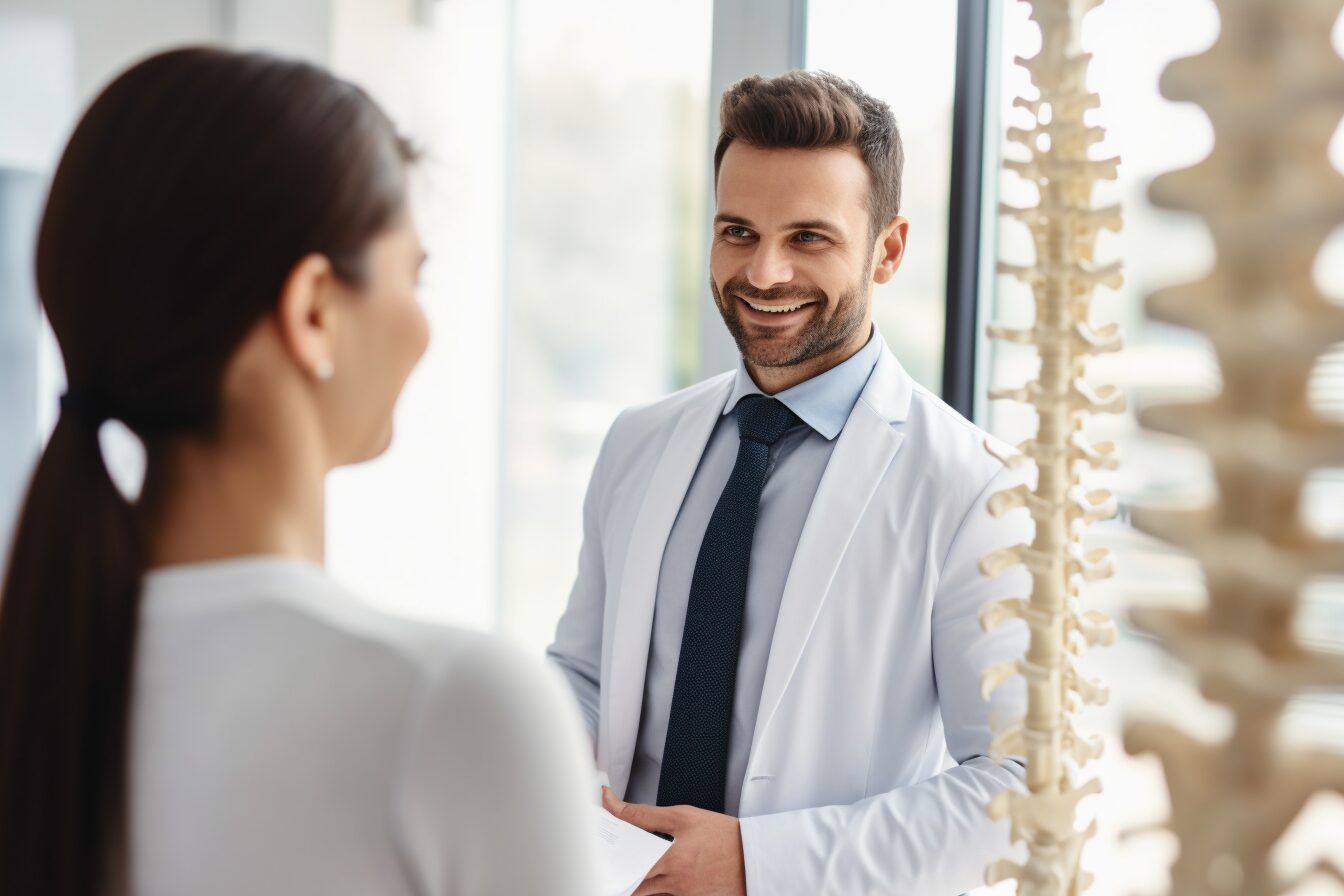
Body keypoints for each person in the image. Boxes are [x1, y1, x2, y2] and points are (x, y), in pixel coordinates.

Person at [0, 47, 595, 896]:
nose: (424, 327)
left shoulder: (37, 675)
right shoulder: (457, 707)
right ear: (314, 309)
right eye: (412, 276)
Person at [547, 70, 1033, 895]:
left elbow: (1021, 786)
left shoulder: (974, 490)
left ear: (889, 250)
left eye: (809, 237)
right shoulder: (638, 443)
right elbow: (586, 676)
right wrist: (554, 779)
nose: (764, 274)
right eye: (738, 231)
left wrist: (758, 865)